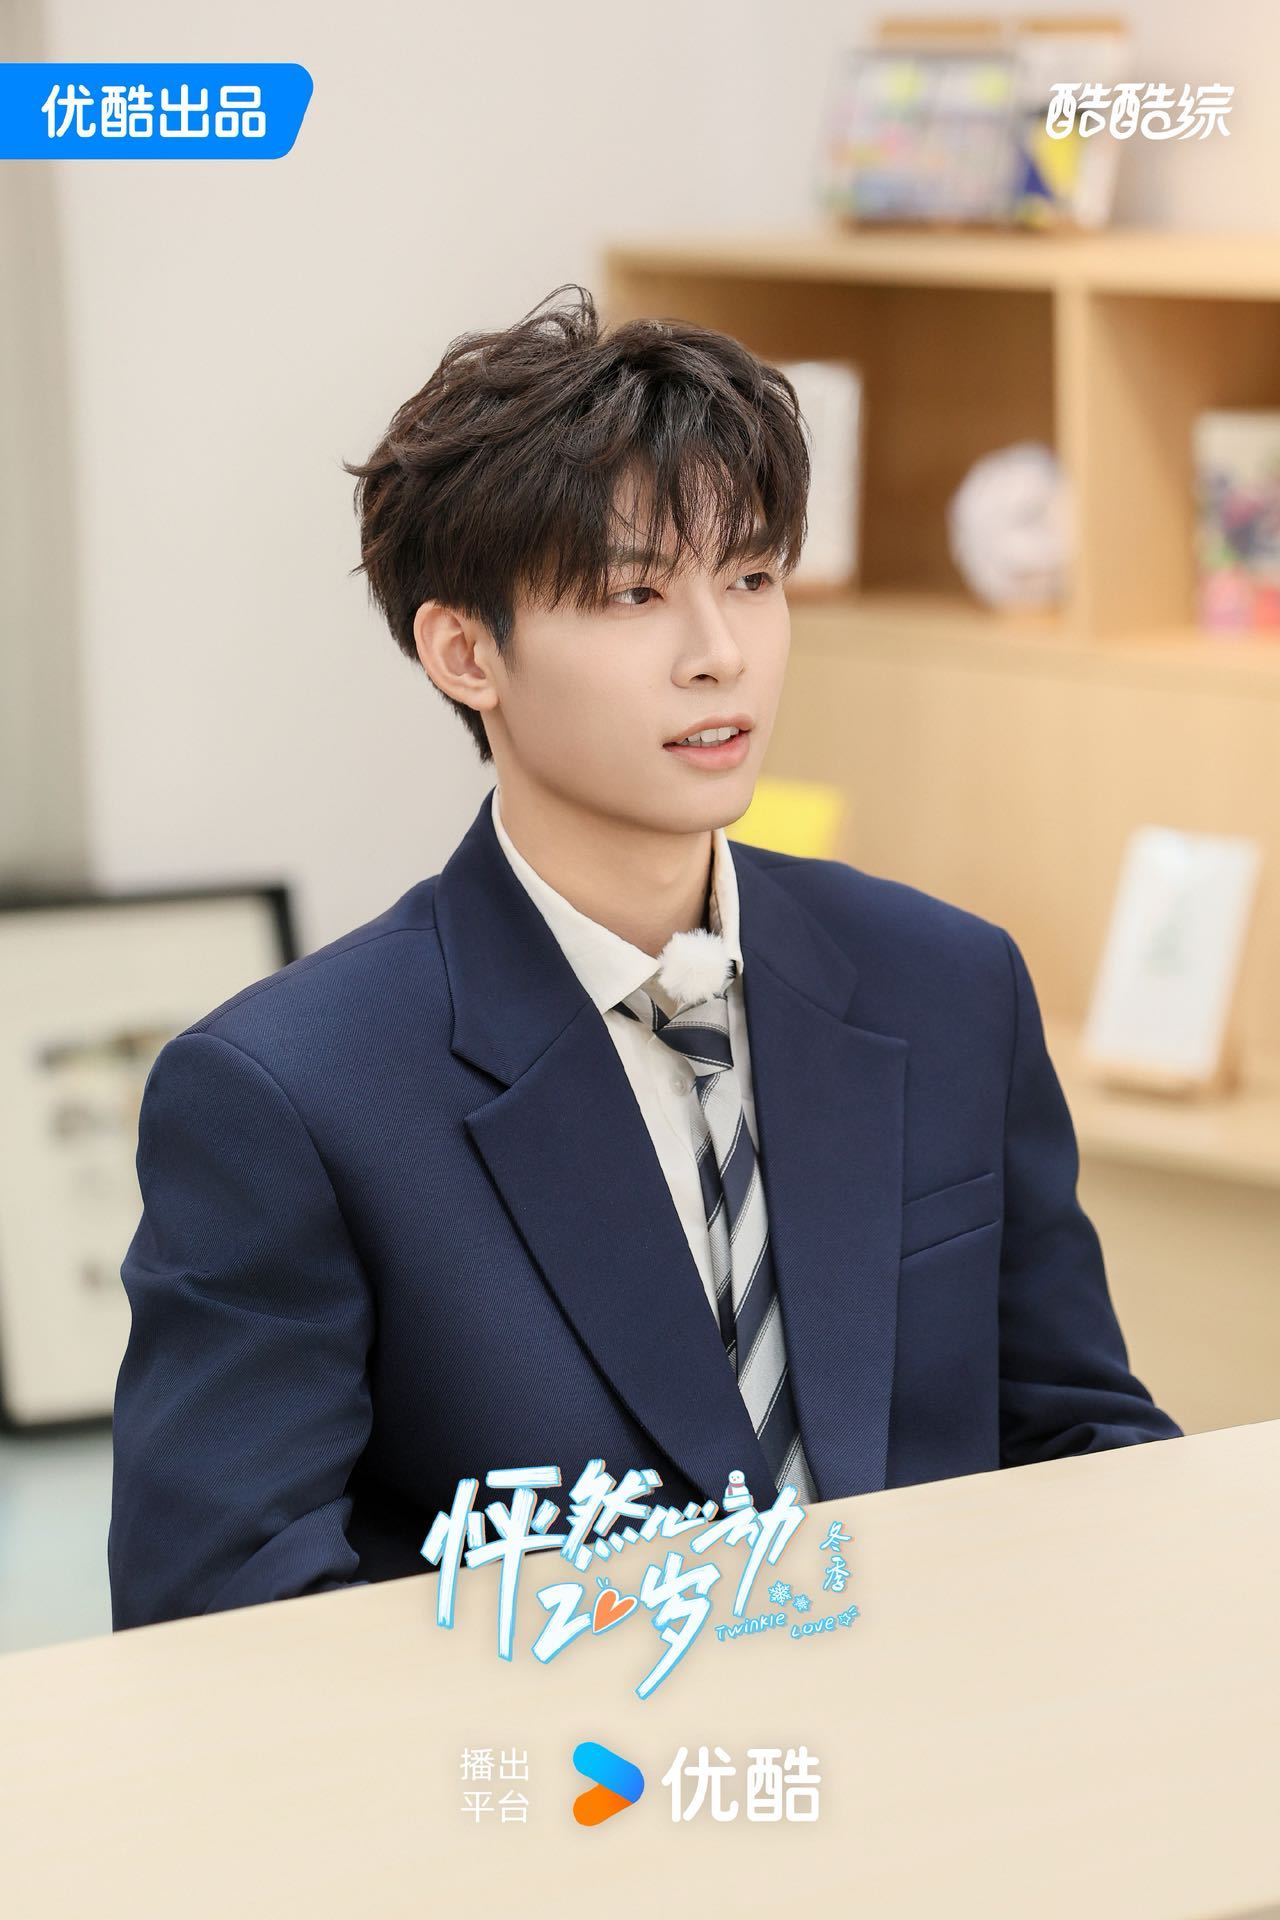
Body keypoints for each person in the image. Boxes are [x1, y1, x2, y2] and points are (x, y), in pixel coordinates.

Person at [108, 285, 1182, 1630]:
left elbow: (1083, 1446)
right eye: (635, 594)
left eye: (753, 579)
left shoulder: (949, 984)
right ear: (465, 651)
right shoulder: (289, 1097)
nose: (720, 654)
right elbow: (222, 1623)